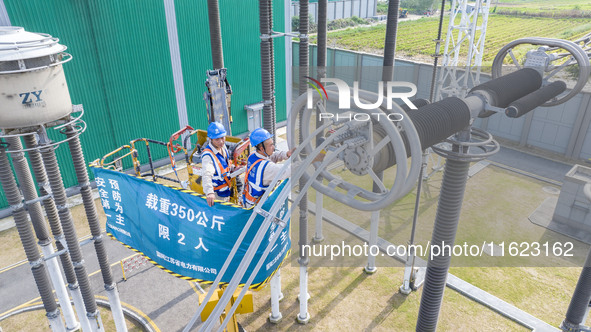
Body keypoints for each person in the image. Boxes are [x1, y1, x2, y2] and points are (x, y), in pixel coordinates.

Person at [242, 128, 295, 208]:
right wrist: (308, 160)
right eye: (271, 145)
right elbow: (287, 171)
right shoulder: (267, 168)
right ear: (262, 148)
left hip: (249, 200)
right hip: (258, 207)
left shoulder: (253, 155)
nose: (273, 147)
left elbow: (272, 156)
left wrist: (286, 154)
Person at [202, 122, 233, 206]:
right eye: (217, 139)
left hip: (226, 191)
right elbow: (206, 174)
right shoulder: (208, 156)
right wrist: (209, 193)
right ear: (210, 139)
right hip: (217, 196)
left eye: (222, 138)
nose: (221, 141)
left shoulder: (223, 147)